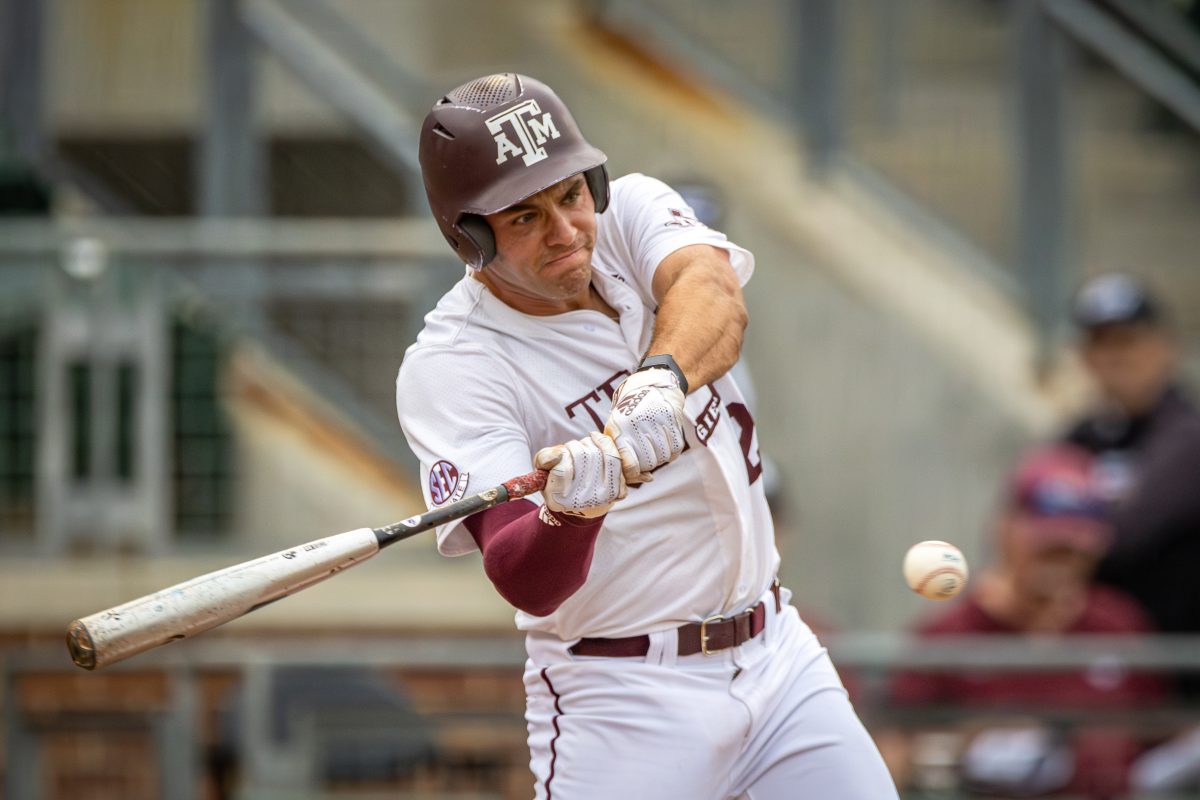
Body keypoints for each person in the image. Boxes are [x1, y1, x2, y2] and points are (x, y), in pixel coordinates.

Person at [395, 73, 898, 799]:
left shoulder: (629, 211)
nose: (566, 232)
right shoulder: (453, 365)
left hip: (779, 657)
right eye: (525, 218)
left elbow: (714, 292)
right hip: (624, 694)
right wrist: (572, 512)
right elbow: (523, 577)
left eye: (570, 194)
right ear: (469, 236)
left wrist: (659, 381)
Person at [880, 444, 1170, 798]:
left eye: (1075, 549)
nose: (1061, 562)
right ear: (1006, 530)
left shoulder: (1118, 624)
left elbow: (1161, 738)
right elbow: (892, 754)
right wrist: (964, 748)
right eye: (1048, 546)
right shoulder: (948, 634)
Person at [1063, 273, 1200, 639]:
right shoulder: (1080, 437)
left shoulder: (1187, 433)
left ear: (1164, 346)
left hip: (1178, 660)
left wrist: (1062, 534)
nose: (1115, 358)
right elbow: (1021, 519)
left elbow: (1122, 537)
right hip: (1099, 654)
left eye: (1127, 342)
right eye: (1101, 345)